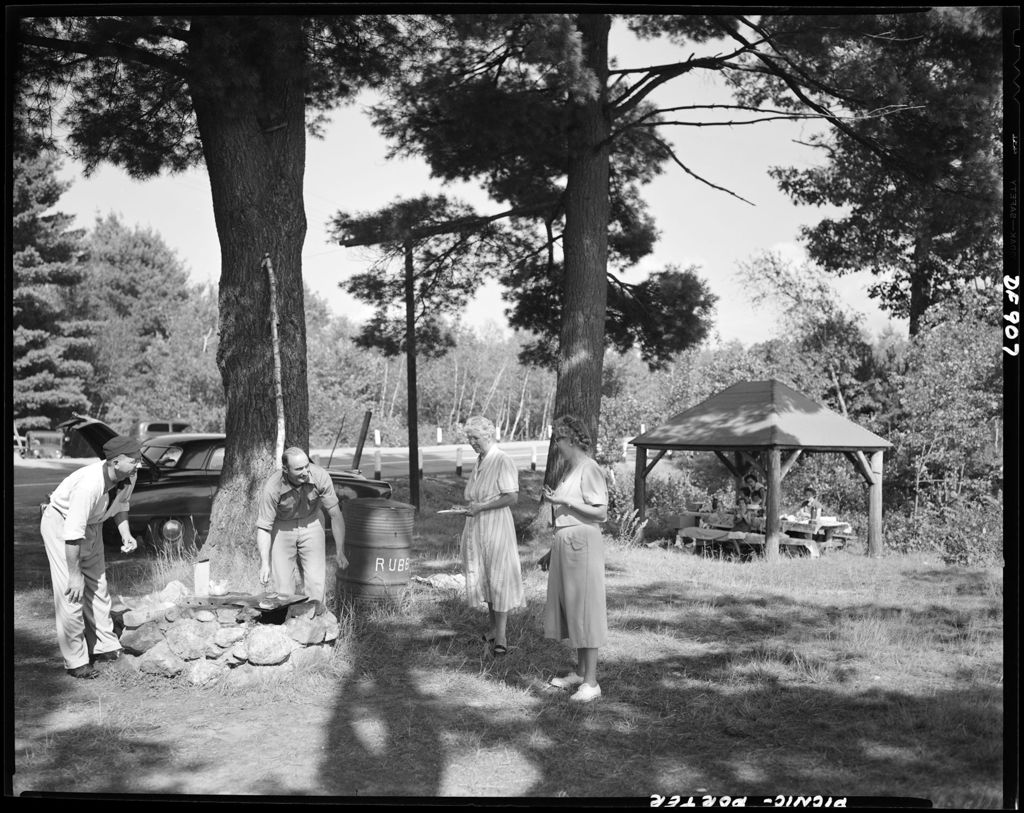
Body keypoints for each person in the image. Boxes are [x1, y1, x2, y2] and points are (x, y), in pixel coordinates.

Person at [40, 435, 141, 679]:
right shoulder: (89, 486)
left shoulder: (129, 476)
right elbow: (72, 535)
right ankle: (76, 662)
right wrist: (74, 575)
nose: (138, 464)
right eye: (133, 460)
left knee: (98, 587)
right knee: (71, 593)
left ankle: (105, 647)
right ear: (115, 462)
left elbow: (122, 505)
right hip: (61, 525)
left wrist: (125, 534)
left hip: (92, 525)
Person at [542, 415, 609, 703]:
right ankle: (581, 673)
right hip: (567, 541)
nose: (556, 445)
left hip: (582, 542)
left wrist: (564, 502)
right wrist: (551, 548)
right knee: (573, 610)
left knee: (586, 610)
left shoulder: (589, 467)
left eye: (558, 439)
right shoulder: (572, 470)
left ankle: (592, 683)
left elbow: (600, 512)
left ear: (571, 440)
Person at [459, 416, 524, 656]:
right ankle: (493, 628)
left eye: (475, 438)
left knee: (498, 575)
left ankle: (503, 635)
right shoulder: (480, 461)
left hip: (496, 524)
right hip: (477, 524)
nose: (472, 443)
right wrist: (472, 508)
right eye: (469, 438)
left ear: (488, 435)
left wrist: (482, 508)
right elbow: (476, 494)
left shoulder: (502, 460)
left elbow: (511, 497)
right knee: (484, 575)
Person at [256, 447, 347, 605]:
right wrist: (264, 562)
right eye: (299, 469)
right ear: (285, 469)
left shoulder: (320, 476)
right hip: (282, 526)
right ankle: (286, 623)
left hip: (312, 522)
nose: (305, 472)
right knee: (283, 586)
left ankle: (317, 621)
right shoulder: (273, 487)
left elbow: (335, 515)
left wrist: (340, 550)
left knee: (315, 582)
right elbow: (264, 527)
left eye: (307, 466)